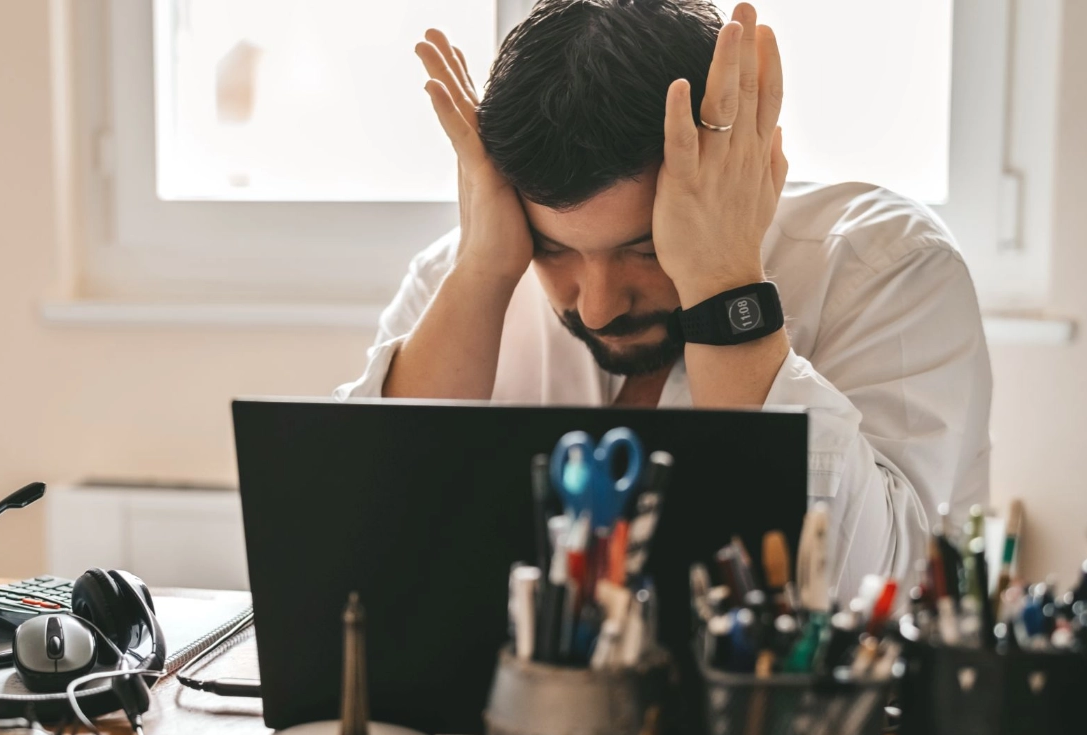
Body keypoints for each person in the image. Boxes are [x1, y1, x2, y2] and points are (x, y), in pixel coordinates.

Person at [336, 0, 992, 601]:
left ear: (745, 165)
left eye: (646, 248)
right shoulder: (477, 265)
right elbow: (348, 549)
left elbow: (867, 594)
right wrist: (482, 273)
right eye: (554, 248)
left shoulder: (888, 267)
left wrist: (723, 283)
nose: (596, 308)